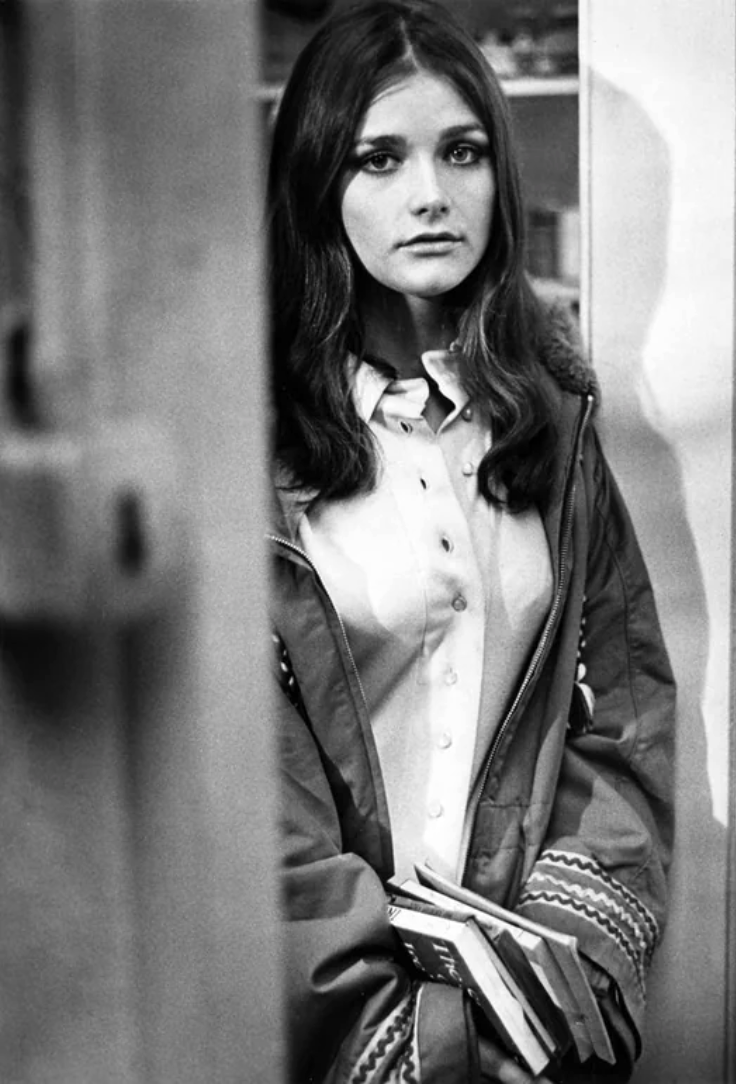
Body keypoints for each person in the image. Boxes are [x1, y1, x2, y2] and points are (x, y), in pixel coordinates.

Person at [265, 2, 676, 1080]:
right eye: (379, 159)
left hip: (524, 1001)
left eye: (462, 152)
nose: (432, 195)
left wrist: (553, 982)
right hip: (321, 1018)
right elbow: (257, 812)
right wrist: (423, 1042)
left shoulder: (555, 418)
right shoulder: (248, 455)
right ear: (318, 184)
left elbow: (626, 719)